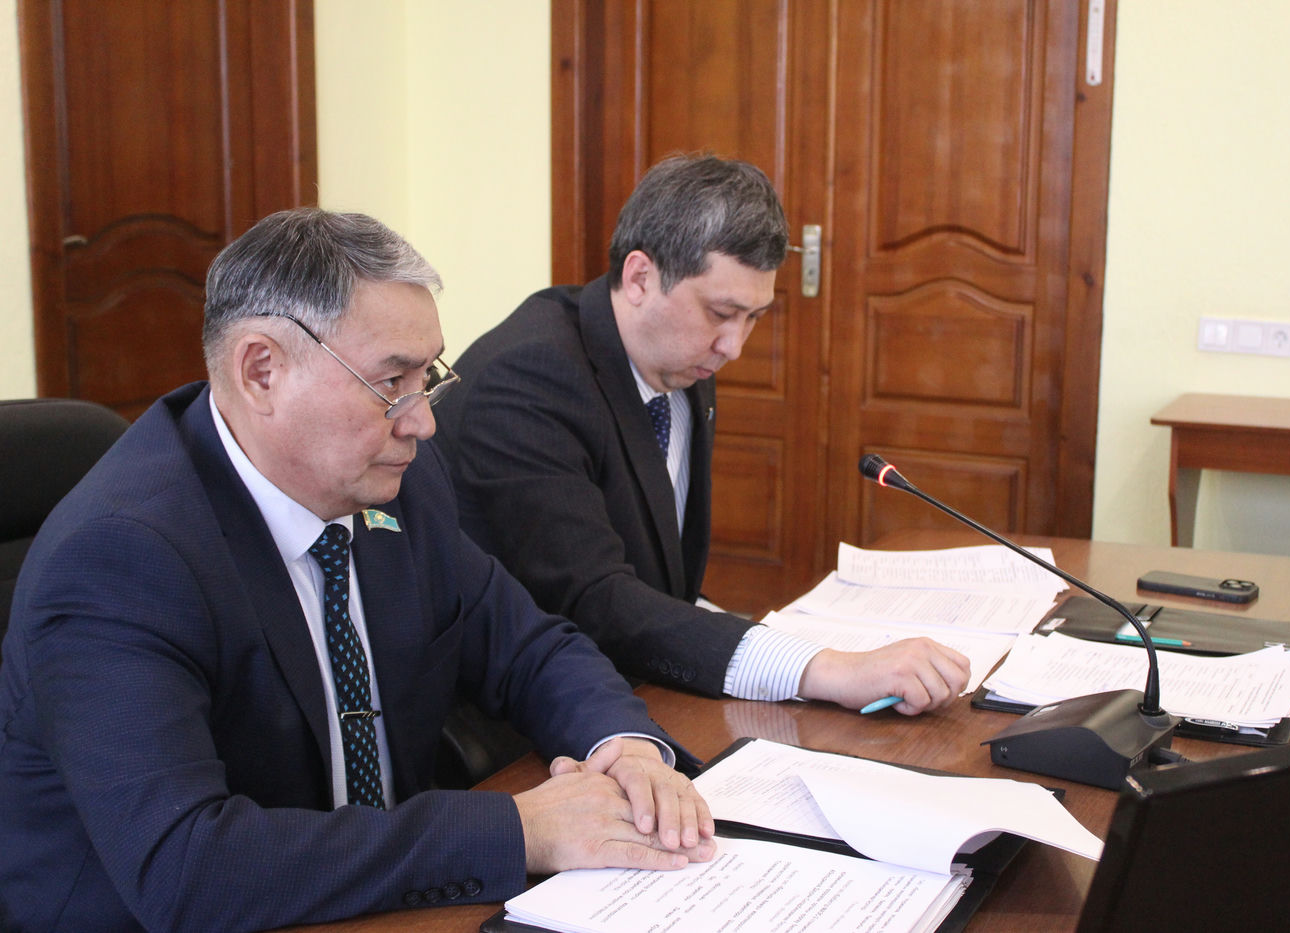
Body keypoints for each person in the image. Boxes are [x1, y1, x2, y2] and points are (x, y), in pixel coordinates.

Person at [0, 208, 714, 933]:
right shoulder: (121, 559)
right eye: (390, 381)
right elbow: (188, 866)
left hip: (379, 900)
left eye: (427, 376)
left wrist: (624, 747)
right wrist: (517, 829)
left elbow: (528, 645)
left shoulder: (395, 480)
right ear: (261, 372)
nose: (422, 420)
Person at [434, 154, 971, 716]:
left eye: (754, 317)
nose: (734, 347)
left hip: (633, 682)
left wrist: (796, 651)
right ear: (640, 278)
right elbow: (594, 600)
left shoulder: (681, 362)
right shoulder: (529, 378)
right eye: (721, 312)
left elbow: (663, 588)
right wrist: (823, 668)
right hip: (523, 722)